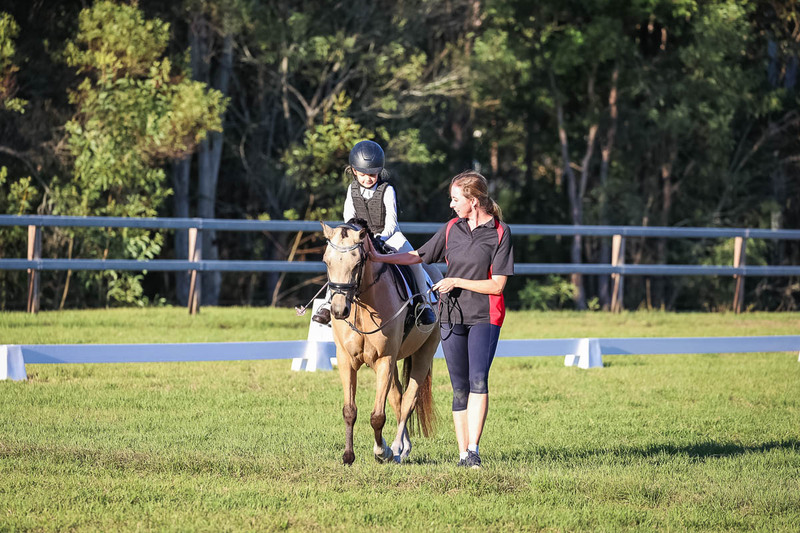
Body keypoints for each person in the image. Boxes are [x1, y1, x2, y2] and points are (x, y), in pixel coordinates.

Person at [366, 170, 514, 469]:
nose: (451, 204)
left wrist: (455, 281)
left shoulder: (500, 232)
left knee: (477, 380)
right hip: (451, 315)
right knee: (459, 387)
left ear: (473, 200)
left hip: (485, 315)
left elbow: (497, 285)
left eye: (455, 199)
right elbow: (418, 256)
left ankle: (474, 449)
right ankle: (463, 455)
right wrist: (380, 258)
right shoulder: (451, 229)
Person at [312, 140, 436, 326]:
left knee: (415, 262)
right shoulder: (352, 189)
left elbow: (391, 223)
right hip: (359, 238)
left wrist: (379, 239)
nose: (367, 179)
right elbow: (349, 219)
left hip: (389, 236)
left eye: (372, 174)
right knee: (341, 263)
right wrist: (356, 238)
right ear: (354, 171)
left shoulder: (387, 190)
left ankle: (424, 304)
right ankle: (328, 304)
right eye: (363, 175)